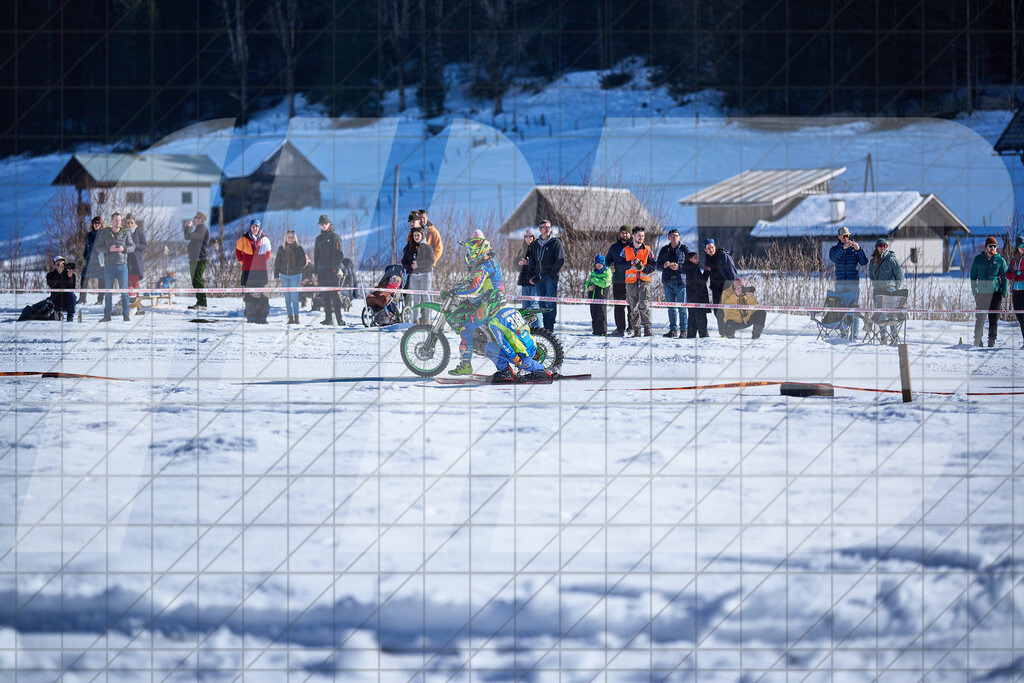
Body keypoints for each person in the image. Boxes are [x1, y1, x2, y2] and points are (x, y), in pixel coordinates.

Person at [447, 235, 505, 376]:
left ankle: (465, 365)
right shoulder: (491, 261)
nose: (468, 254)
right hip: (493, 299)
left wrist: (456, 291)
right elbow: (475, 281)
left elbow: (474, 287)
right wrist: (462, 284)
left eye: (470, 251)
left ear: (478, 251)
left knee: (466, 328)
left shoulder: (483, 266)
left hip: (490, 303)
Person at [482, 303, 553, 382]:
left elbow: (503, 343)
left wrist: (514, 357)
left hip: (521, 354)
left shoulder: (493, 321)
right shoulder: (513, 310)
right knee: (528, 362)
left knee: (489, 347)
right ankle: (540, 370)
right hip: (532, 346)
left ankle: (506, 373)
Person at [828, 226, 867, 340]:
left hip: (853, 283)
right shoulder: (835, 249)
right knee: (841, 309)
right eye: (843, 236)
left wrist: (859, 250)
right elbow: (833, 258)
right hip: (840, 283)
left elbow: (864, 262)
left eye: (847, 236)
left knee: (854, 309)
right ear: (839, 237)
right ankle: (844, 334)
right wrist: (843, 249)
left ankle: (854, 336)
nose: (846, 239)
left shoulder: (854, 249)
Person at [94, 213, 136, 322]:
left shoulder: (125, 232)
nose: (118, 222)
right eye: (116, 220)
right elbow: (98, 247)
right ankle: (107, 316)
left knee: (124, 292)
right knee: (108, 292)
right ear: (111, 221)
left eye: (120, 220)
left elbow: (132, 246)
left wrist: (124, 248)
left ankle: (126, 316)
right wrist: (109, 249)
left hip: (122, 266)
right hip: (109, 266)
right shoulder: (105, 232)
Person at [970, 236, 1008, 347]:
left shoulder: (1000, 260)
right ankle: (978, 339)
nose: (993, 248)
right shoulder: (978, 259)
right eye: (991, 246)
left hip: (995, 293)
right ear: (986, 247)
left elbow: (1004, 278)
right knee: (980, 318)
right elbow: (973, 276)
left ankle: (992, 340)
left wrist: (1003, 292)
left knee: (993, 318)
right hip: (981, 293)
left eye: (995, 246)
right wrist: (974, 290)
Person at [528, 219, 564, 332]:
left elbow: (560, 260)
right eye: (544, 227)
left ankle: (550, 327)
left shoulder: (555, 242)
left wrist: (552, 274)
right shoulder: (536, 244)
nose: (547, 229)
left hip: (550, 278)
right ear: (540, 229)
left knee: (550, 302)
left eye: (549, 227)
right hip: (539, 278)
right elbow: (533, 261)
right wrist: (532, 275)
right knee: (541, 303)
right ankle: (544, 327)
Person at [235, 218, 272, 323]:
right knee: (249, 294)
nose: (254, 228)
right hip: (248, 271)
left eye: (256, 226)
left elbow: (268, 254)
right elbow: (238, 254)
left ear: (259, 227)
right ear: (250, 227)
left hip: (261, 271)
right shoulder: (243, 239)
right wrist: (245, 262)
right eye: (253, 226)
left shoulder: (265, 239)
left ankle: (261, 316)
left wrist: (261, 262)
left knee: (259, 295)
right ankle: (251, 316)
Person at [702, 238, 739, 336]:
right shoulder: (707, 258)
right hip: (715, 288)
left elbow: (732, 272)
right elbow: (707, 273)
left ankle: (730, 333)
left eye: (712, 247)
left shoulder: (723, 256)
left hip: (727, 287)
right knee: (718, 312)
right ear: (705, 250)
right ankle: (723, 333)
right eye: (708, 248)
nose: (711, 249)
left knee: (727, 312)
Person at [624, 226, 656, 337]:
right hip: (630, 282)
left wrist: (644, 268)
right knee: (633, 307)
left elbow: (653, 266)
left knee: (644, 305)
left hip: (643, 281)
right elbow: (620, 265)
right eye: (638, 235)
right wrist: (631, 263)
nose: (641, 237)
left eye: (642, 235)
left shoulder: (648, 250)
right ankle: (636, 331)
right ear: (633, 236)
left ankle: (647, 330)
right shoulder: (626, 250)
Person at [313, 214, 344, 326]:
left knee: (335, 296)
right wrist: (316, 271)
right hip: (322, 272)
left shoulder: (335, 237)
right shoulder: (318, 239)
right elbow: (316, 256)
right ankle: (328, 319)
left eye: (325, 224)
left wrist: (335, 268)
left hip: (333, 272)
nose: (323, 226)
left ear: (329, 224)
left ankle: (339, 319)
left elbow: (340, 254)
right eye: (321, 224)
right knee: (325, 296)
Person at [656, 228, 688, 337]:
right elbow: (657, 266)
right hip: (667, 281)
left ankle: (684, 330)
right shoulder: (664, 249)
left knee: (682, 307)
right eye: (672, 236)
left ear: (679, 237)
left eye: (676, 235)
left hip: (680, 282)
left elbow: (691, 266)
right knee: (671, 307)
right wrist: (663, 266)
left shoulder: (684, 249)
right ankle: (673, 330)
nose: (674, 237)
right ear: (669, 237)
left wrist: (679, 267)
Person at [401, 224, 435, 324]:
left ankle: (427, 319)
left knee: (426, 297)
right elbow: (404, 262)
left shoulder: (427, 248)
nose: (416, 237)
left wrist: (418, 265)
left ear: (422, 235)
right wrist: (410, 267)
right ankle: (415, 320)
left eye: (418, 235)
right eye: (414, 235)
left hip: (425, 274)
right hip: (414, 276)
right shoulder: (409, 248)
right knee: (415, 298)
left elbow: (431, 261)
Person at [274, 229, 306, 324]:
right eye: (289, 237)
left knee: (294, 298)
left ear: (295, 238)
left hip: (295, 276)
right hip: (284, 276)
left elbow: (303, 262)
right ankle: (290, 318)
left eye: (292, 237)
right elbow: (277, 263)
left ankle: (296, 318)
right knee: (287, 298)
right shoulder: (281, 249)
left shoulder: (299, 248)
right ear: (285, 238)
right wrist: (276, 276)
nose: (291, 239)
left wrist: (297, 270)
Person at [605, 225, 633, 336]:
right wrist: (610, 265)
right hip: (618, 280)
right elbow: (607, 261)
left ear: (630, 234)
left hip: (631, 280)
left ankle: (632, 328)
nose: (624, 234)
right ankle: (620, 329)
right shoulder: (614, 247)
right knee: (618, 305)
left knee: (632, 305)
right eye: (622, 232)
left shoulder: (634, 246)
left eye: (626, 232)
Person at [679, 251, 710, 338]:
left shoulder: (687, 267)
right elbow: (702, 280)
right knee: (700, 316)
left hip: (691, 296)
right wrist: (707, 272)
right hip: (698, 296)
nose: (697, 259)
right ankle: (703, 335)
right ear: (690, 259)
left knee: (692, 316)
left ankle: (691, 335)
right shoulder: (693, 268)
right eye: (695, 258)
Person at [183, 212, 210, 311]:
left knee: (198, 280)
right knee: (195, 281)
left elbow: (190, 236)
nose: (193, 219)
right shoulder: (199, 229)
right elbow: (187, 237)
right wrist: (187, 228)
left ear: (200, 220)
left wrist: (188, 227)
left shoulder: (202, 229)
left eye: (195, 218)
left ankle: (203, 303)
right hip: (195, 258)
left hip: (199, 259)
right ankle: (199, 302)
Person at [79, 216, 104, 304]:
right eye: (95, 223)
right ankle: (82, 299)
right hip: (89, 261)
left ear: (101, 224)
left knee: (101, 280)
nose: (96, 225)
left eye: (98, 223)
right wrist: (85, 256)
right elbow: (86, 247)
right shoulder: (89, 235)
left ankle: (100, 300)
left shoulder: (103, 234)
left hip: (99, 262)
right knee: (84, 278)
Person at [516, 228, 538, 322]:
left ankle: (538, 328)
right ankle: (527, 330)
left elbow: (538, 263)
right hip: (524, 280)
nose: (528, 238)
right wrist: (519, 263)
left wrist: (527, 262)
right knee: (525, 306)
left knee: (534, 306)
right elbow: (515, 264)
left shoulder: (536, 247)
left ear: (533, 236)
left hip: (533, 280)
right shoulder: (522, 249)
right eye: (526, 236)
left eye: (530, 236)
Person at [585, 254, 611, 335]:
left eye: (600, 263)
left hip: (601, 296)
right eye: (597, 263)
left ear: (603, 264)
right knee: (594, 314)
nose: (599, 265)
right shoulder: (594, 272)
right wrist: (588, 287)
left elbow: (605, 283)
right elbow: (587, 283)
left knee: (601, 314)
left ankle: (602, 331)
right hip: (592, 296)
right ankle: (595, 331)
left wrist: (595, 280)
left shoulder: (607, 271)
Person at [46, 256, 77, 322]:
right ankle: (57, 314)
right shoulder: (50, 275)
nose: (60, 266)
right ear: (54, 266)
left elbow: (72, 288)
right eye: (58, 264)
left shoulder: (70, 274)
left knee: (72, 295)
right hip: (56, 298)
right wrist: (58, 274)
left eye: (62, 264)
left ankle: (70, 316)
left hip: (67, 298)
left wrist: (70, 278)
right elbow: (52, 285)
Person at [1007, 235, 1024, 348]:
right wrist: (1017, 273)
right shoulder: (1013, 260)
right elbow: (1007, 274)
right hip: (1015, 291)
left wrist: (1018, 274)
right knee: (1020, 318)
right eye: (1022, 245)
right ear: (1017, 247)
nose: (1023, 248)